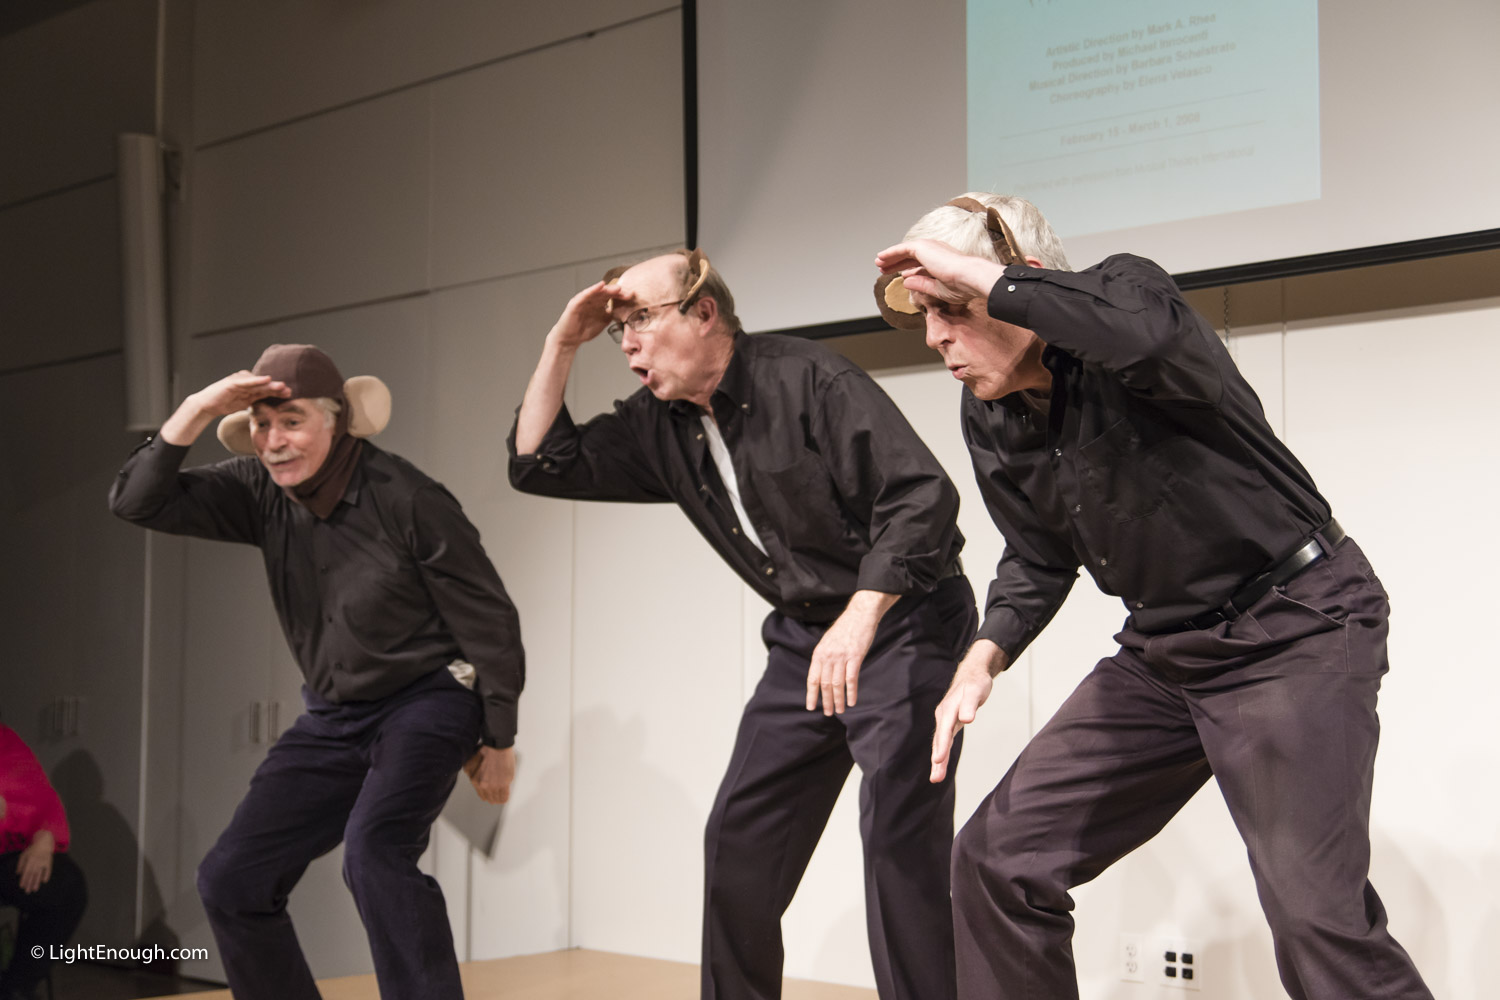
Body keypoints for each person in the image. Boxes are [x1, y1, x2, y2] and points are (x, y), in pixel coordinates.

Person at [873, 194, 1434, 1000]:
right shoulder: (990, 409)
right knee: (996, 860)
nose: (936, 339)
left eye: (952, 309)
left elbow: (1144, 336)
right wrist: (984, 654)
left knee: (1318, 921)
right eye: (926, 317)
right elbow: (1037, 555)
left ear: (1017, 282)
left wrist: (985, 278)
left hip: (1293, 625)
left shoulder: (1126, 299)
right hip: (1164, 657)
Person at [509, 250, 976, 1000]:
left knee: (896, 837)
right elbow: (538, 463)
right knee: (740, 840)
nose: (626, 343)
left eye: (640, 321)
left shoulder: (810, 380)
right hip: (805, 639)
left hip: (904, 618)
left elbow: (923, 500)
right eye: (616, 330)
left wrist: (863, 613)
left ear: (704, 313)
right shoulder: (657, 425)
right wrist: (560, 343)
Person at [108, 344, 525, 1000]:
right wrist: (192, 411)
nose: (274, 441)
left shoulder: (407, 497)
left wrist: (498, 739)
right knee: (232, 878)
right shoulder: (256, 493)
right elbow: (135, 501)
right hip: (333, 716)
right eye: (262, 425)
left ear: (337, 420)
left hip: (428, 699)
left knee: (374, 854)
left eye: (292, 421)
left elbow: (490, 620)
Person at [0, 724, 87, 1000]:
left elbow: (40, 800)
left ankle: (16, 987)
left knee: (65, 885)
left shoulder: (5, 740)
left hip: (6, 852)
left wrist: (44, 838)